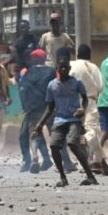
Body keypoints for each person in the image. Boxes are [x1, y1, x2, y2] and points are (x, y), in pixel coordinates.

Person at [34, 48, 97, 187]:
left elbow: (85, 99)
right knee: (54, 146)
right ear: (57, 68)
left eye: (65, 67)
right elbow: (50, 107)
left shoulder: (76, 82)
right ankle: (63, 177)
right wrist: (40, 124)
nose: (63, 69)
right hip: (59, 120)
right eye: (60, 67)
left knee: (72, 143)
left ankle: (90, 175)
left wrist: (83, 109)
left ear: (69, 68)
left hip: (74, 119)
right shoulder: (52, 85)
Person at [69, 44, 108, 175]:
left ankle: (92, 161)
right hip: (90, 101)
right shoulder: (93, 67)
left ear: (77, 55)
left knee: (81, 132)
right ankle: (98, 161)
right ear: (89, 55)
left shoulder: (72, 65)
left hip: (74, 102)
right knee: (92, 131)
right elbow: (101, 87)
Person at [18, 49, 55, 173]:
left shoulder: (27, 72)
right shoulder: (52, 72)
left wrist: (25, 106)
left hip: (33, 109)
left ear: (34, 59)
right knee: (54, 134)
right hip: (50, 108)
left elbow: (23, 90)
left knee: (27, 134)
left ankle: (31, 159)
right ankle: (55, 159)